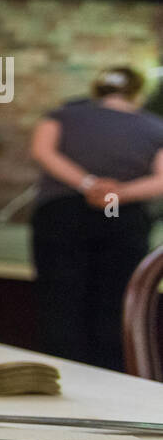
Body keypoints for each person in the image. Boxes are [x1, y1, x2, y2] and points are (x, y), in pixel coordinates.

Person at [29, 66, 163, 370]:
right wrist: (117, 193)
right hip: (122, 216)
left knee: (60, 302)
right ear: (137, 92)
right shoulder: (155, 127)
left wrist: (88, 184)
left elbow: (42, 151)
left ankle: (61, 378)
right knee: (117, 305)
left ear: (96, 89)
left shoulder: (62, 115)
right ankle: (112, 386)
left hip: (63, 214)